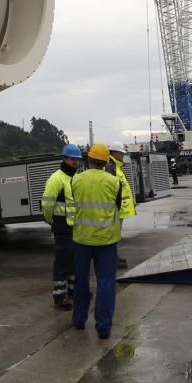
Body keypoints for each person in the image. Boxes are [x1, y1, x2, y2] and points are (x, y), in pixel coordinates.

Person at [72, 143, 123, 339]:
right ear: (105, 161)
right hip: (107, 241)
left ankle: (79, 320)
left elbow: (74, 203)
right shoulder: (114, 182)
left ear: (88, 159)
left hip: (81, 239)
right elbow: (117, 207)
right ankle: (103, 327)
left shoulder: (76, 180)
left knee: (81, 281)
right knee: (106, 283)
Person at [41, 143, 81, 310]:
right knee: (63, 262)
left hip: (75, 227)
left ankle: (74, 292)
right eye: (72, 159)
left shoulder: (76, 178)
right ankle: (59, 297)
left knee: (74, 260)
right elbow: (47, 205)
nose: (76, 163)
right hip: (62, 227)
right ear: (64, 159)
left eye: (77, 160)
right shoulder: (56, 179)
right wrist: (51, 221)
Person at [106, 142, 135, 270]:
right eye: (121, 153)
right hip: (115, 210)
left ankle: (114, 257)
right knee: (112, 236)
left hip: (119, 209)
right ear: (114, 153)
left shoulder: (116, 166)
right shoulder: (110, 167)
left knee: (116, 236)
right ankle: (112, 259)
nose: (123, 155)